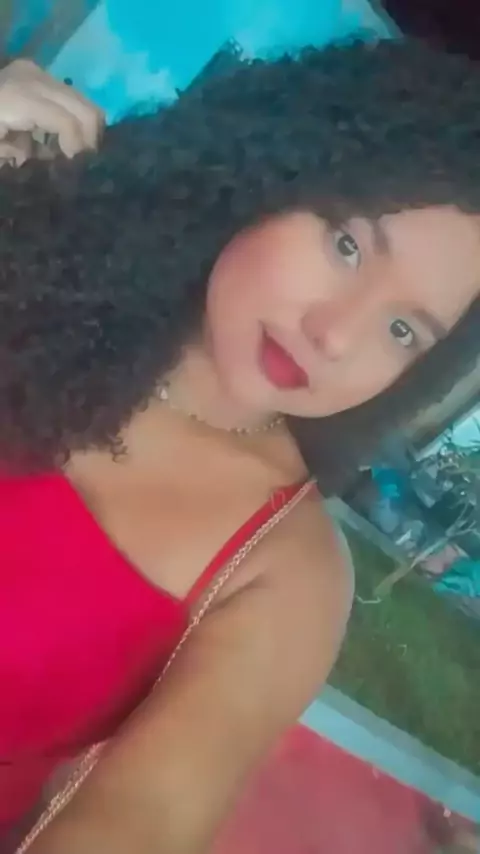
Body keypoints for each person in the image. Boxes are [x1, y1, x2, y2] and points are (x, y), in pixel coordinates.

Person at [0, 41, 480, 854]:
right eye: (347, 245)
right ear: (273, 168)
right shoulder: (34, 235)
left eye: (403, 330)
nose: (335, 335)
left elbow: (146, 819)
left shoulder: (287, 570)